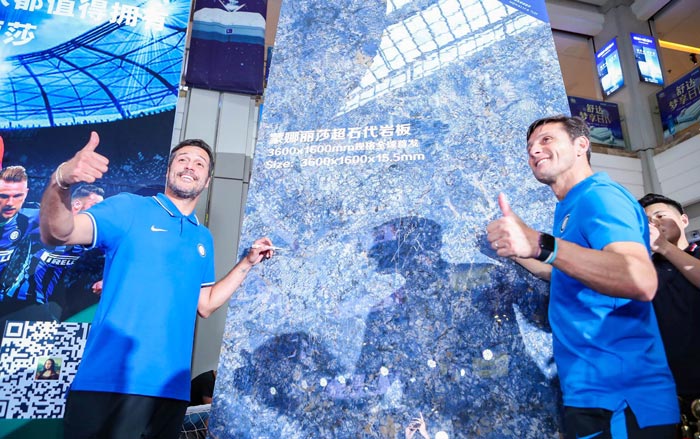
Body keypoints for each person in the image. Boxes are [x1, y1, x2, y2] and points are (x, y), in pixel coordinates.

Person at [39, 132, 275, 438]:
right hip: (109, 385)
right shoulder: (129, 208)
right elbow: (58, 232)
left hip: (170, 393)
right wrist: (61, 181)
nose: (190, 166)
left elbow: (206, 304)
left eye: (199, 164)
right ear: (168, 170)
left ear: (207, 180)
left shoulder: (203, 238)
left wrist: (247, 263)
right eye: (183, 160)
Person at [486, 115, 679, 438]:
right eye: (530, 146)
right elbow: (565, 273)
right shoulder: (570, 206)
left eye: (546, 139)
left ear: (581, 145)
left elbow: (640, 279)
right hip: (589, 395)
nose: (534, 150)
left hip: (623, 398)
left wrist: (541, 244)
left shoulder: (600, 197)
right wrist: (519, 248)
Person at [638, 193, 700, 434]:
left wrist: (663, 246)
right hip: (670, 398)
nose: (653, 223)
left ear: (684, 220)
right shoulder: (645, 270)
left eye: (660, 215)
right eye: (646, 221)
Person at [19, 184, 105, 306]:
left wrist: (105, 280)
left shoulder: (91, 235)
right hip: (18, 296)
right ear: (77, 204)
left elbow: (118, 253)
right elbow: (12, 217)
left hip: (46, 301)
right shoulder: (46, 218)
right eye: (95, 206)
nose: (99, 212)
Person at [0, 165, 40, 309]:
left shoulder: (33, 217)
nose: (10, 203)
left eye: (17, 196)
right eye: (3, 196)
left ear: (26, 194)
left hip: (7, 301)